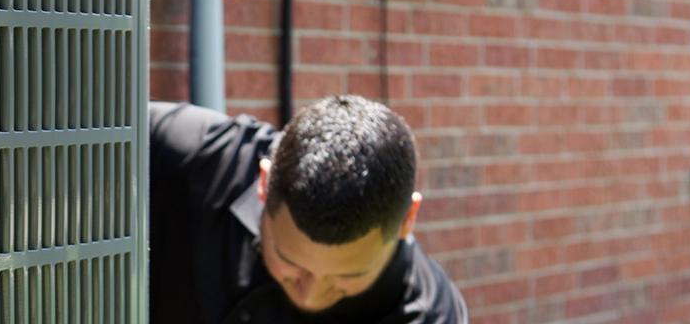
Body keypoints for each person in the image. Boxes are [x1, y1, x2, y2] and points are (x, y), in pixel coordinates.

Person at [149, 95, 467, 323]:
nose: (310, 296)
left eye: (347, 277)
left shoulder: (426, 313)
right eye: (290, 262)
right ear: (263, 184)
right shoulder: (196, 157)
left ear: (407, 220)